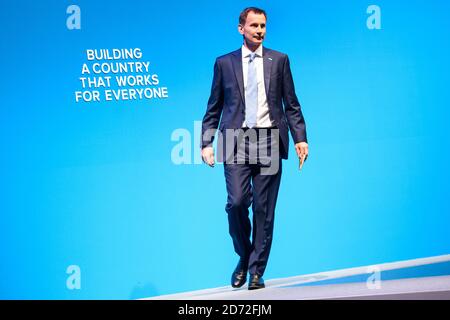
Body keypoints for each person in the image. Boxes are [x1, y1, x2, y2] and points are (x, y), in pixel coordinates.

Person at [200, 7, 308, 290]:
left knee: (264, 210)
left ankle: (256, 272)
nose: (259, 30)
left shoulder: (279, 60)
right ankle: (245, 256)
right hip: (235, 140)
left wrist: (300, 138)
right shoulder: (224, 63)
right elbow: (214, 107)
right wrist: (205, 143)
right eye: (254, 26)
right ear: (241, 29)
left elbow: (291, 104)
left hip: (270, 140)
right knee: (236, 203)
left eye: (263, 26)